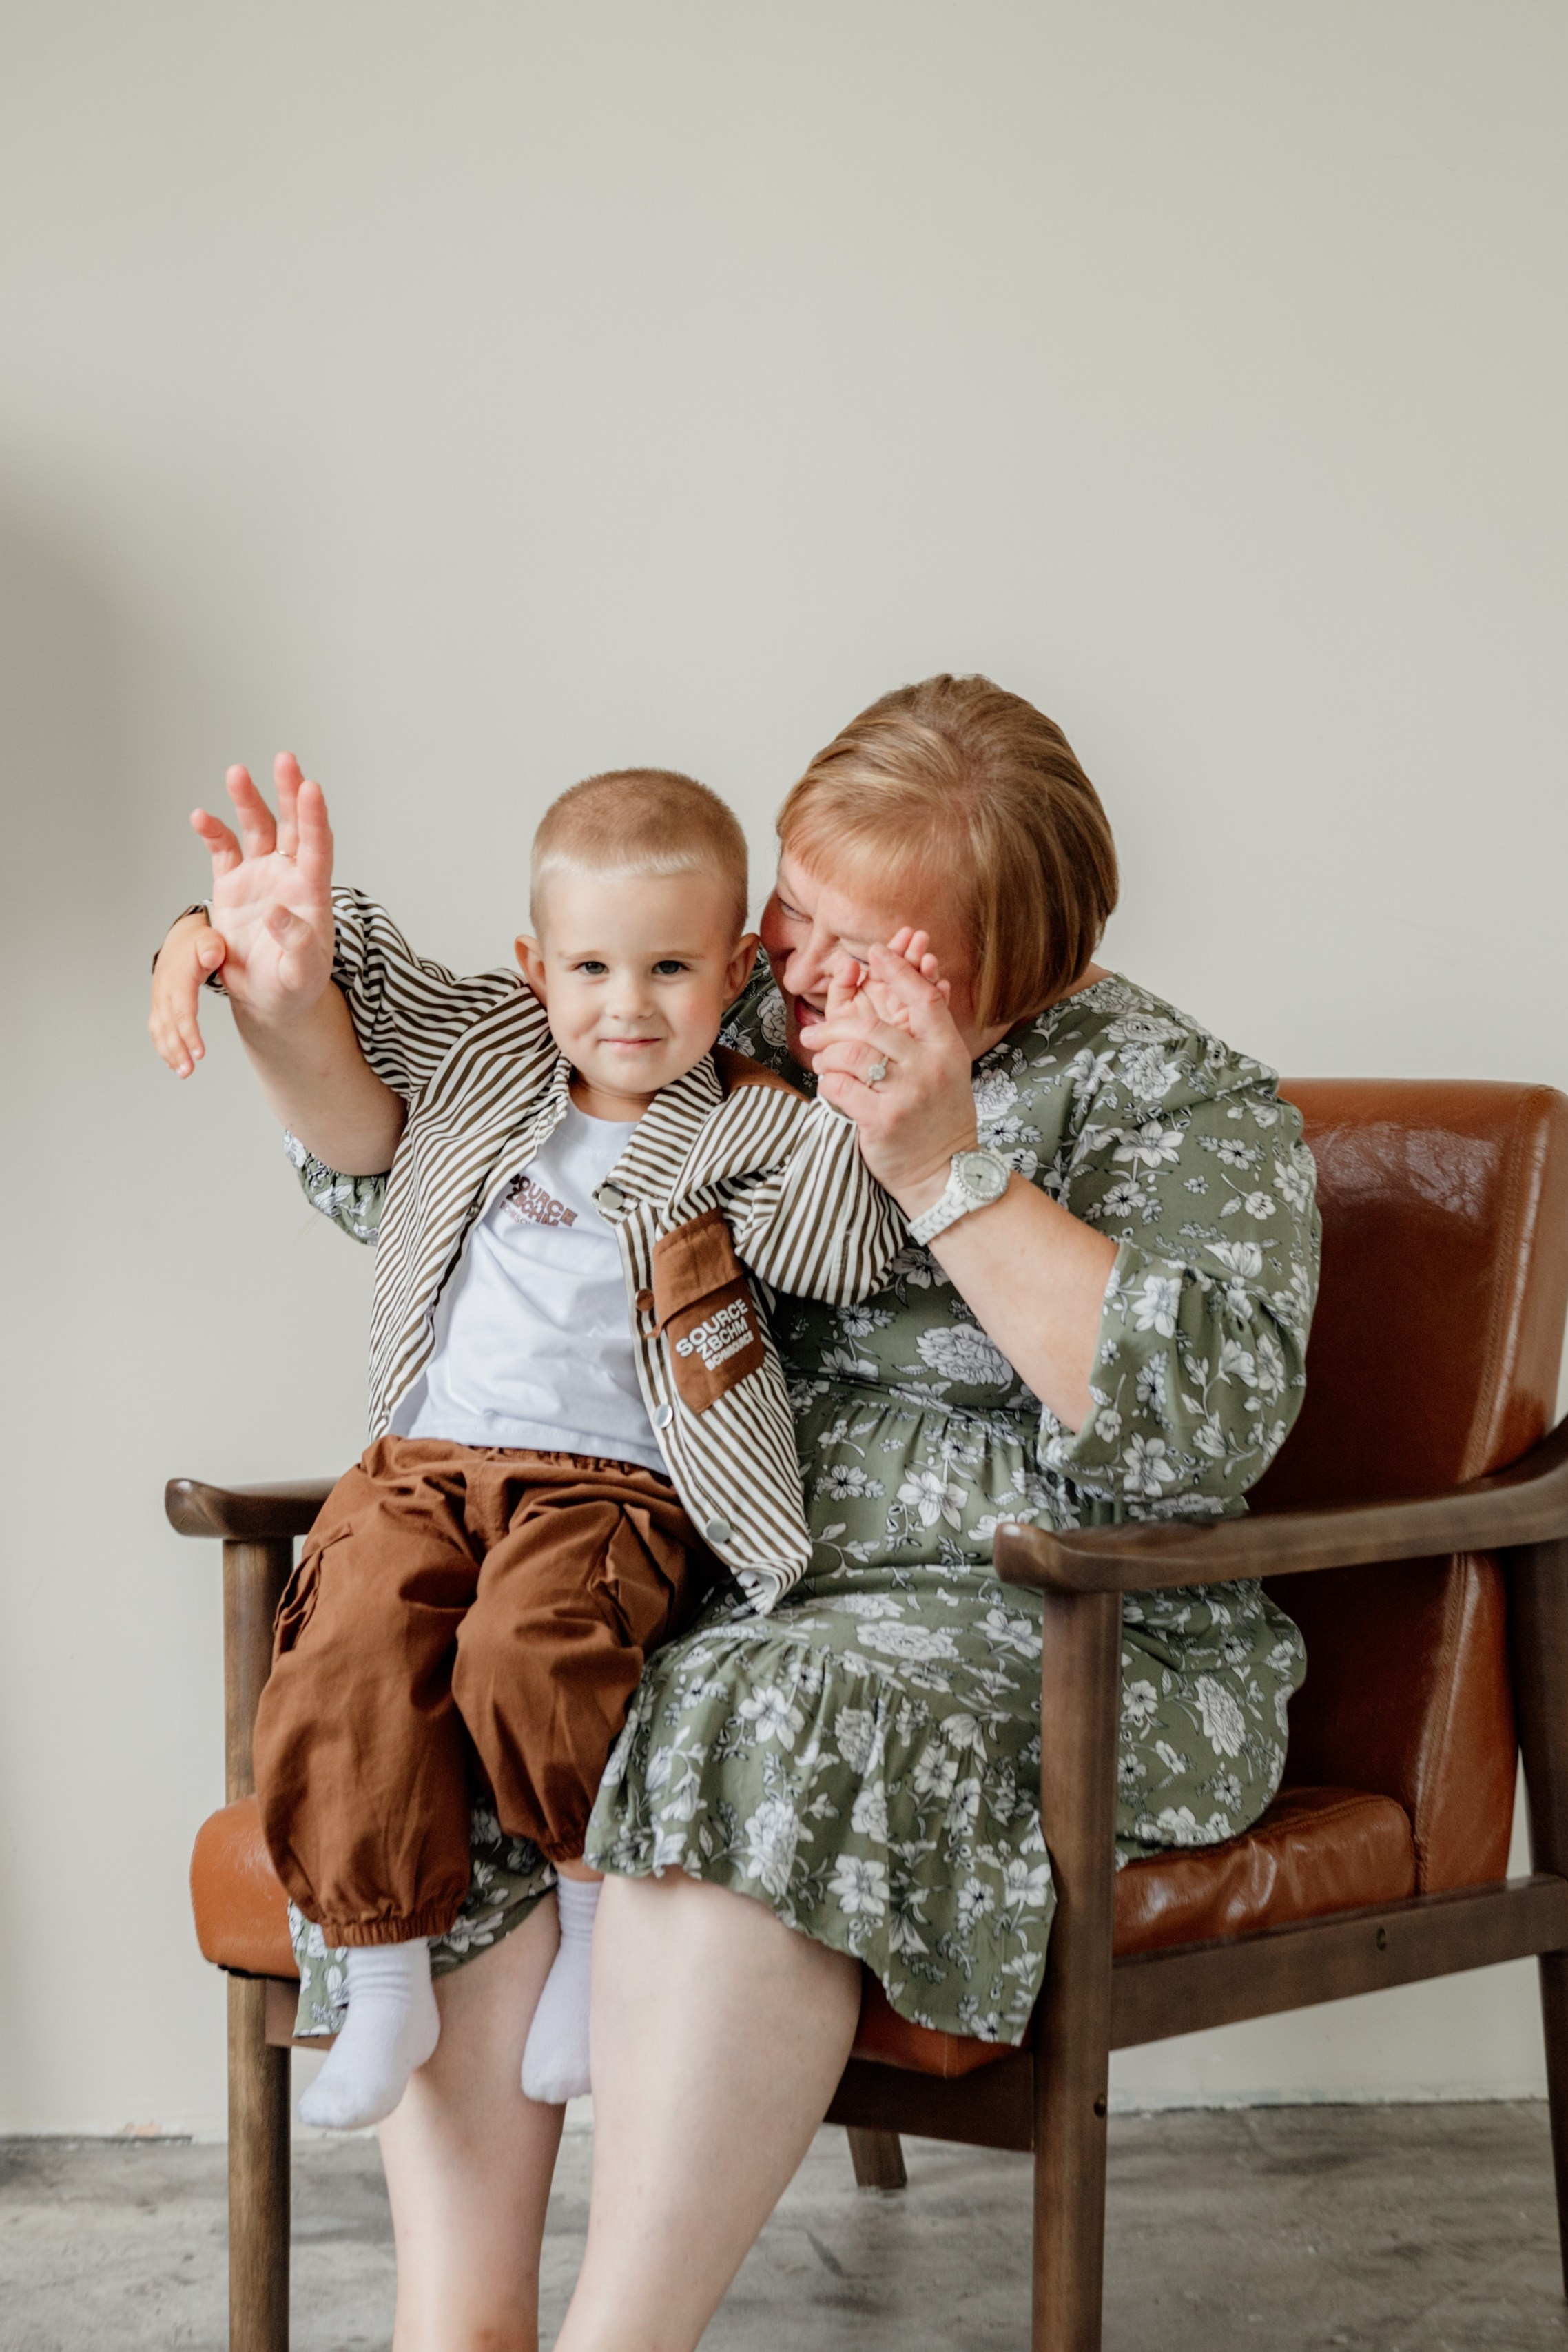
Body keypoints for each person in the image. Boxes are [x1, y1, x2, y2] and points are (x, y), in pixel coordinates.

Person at [150, 674, 1320, 2352]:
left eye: (871, 949)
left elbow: (1193, 1442)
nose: (796, 967)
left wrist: (940, 1167)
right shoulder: (733, 1014)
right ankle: (459, 2327)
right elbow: (424, 1164)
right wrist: (281, 1000)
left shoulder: (1174, 1103)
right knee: (482, 1663)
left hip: (1062, 1630)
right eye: (794, 906)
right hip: (704, 1574)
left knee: (750, 1704)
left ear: (1009, 964)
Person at [157, 761, 907, 2132]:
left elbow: (842, 1254)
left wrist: (864, 1095)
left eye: (673, 968)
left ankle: (585, 1910)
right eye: (593, 968)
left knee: (532, 1657)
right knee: (341, 1652)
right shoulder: (489, 1040)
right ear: (534, 965)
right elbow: (356, 977)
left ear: (736, 964)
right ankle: (384, 1977)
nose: (628, 1007)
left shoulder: (751, 1120)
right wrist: (240, 941)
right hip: (424, 1464)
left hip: (610, 1486)